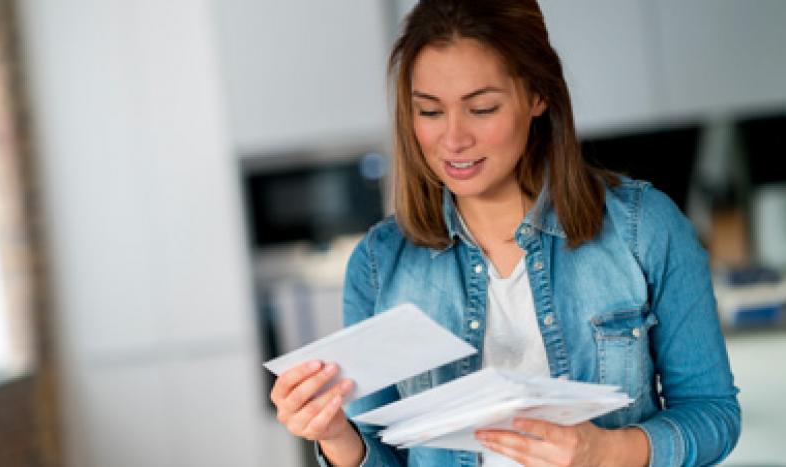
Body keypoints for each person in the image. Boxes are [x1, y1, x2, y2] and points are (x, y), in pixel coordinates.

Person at [268, 1, 741, 465]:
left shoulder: (644, 228)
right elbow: (381, 452)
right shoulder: (378, 265)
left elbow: (714, 414)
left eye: (482, 108)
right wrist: (336, 436)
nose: (453, 139)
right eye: (430, 112)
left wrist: (607, 452)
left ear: (537, 95)